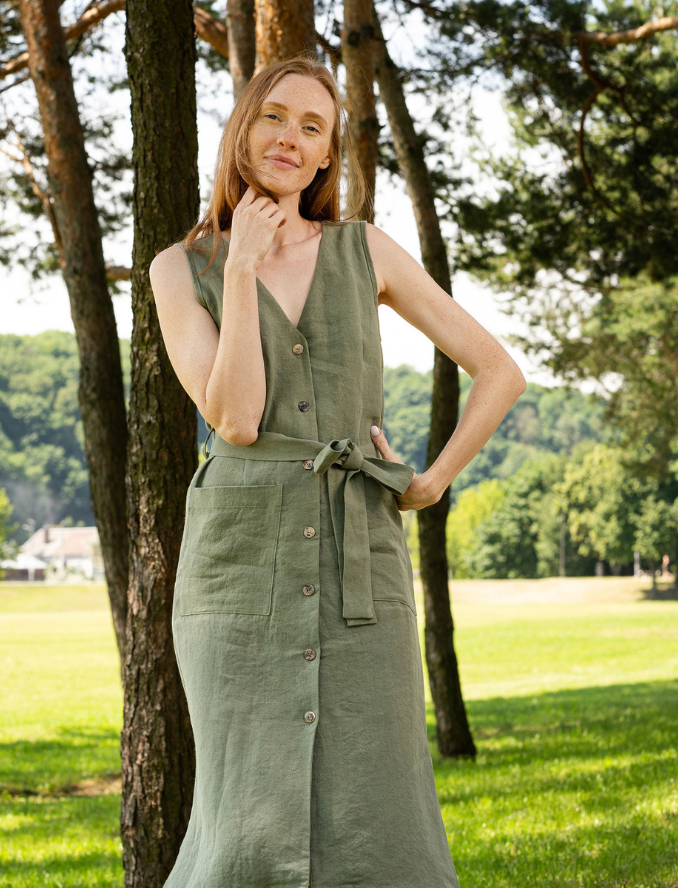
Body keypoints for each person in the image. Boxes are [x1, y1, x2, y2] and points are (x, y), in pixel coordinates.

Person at [149, 56, 527, 888]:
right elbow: (236, 419)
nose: (290, 137)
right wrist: (241, 267)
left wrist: (432, 481)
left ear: (327, 157)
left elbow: (499, 371)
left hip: (363, 557)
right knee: (241, 820)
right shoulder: (179, 269)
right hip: (237, 565)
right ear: (243, 129)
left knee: (378, 809)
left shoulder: (366, 251)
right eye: (275, 117)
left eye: (312, 127)